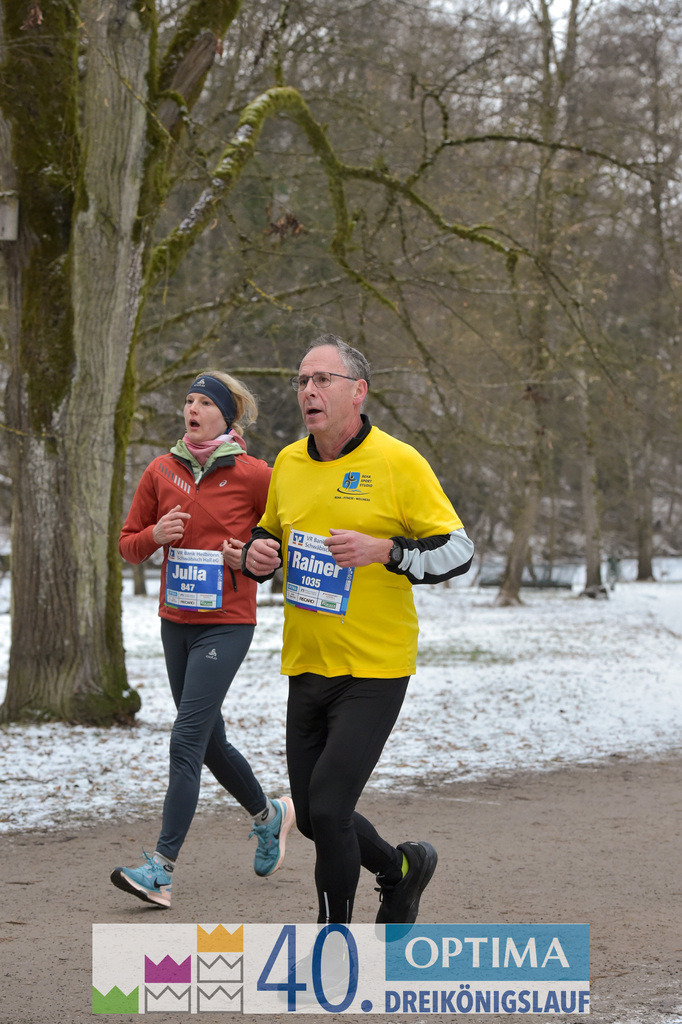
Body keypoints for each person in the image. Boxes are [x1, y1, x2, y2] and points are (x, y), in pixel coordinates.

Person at [242, 335, 474, 925]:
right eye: (302, 380)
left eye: (323, 379)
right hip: (306, 662)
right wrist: (257, 555)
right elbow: (269, 534)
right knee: (315, 818)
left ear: (358, 391)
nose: (309, 391)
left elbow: (459, 551)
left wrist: (387, 551)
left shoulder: (398, 461)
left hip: (374, 667)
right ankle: (400, 870)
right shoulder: (289, 463)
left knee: (329, 807)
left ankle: (333, 939)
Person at [110, 370, 294, 909]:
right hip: (176, 623)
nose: (192, 408)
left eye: (204, 402)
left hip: (227, 623)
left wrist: (251, 556)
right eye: (188, 400)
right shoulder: (160, 470)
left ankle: (161, 870)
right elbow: (127, 544)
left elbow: (280, 541)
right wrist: (154, 535)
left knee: (186, 738)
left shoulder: (256, 475)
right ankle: (269, 816)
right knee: (209, 740)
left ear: (226, 415)